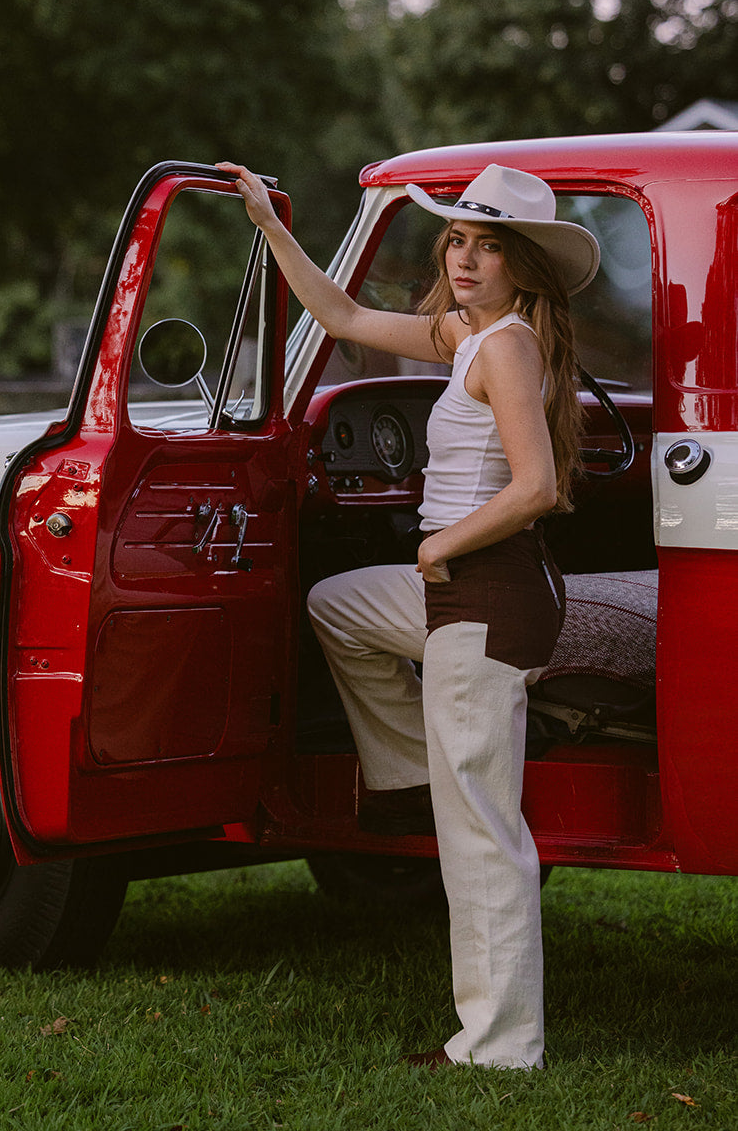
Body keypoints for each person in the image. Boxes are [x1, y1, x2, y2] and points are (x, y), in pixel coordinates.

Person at [217, 160, 600, 1073]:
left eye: (489, 246)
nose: (466, 259)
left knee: (483, 841)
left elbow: (538, 486)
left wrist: (438, 547)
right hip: (461, 594)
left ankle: (498, 1045)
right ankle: (408, 777)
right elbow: (344, 318)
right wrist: (272, 228)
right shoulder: (467, 334)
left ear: (522, 266)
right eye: (458, 239)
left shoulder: (504, 346)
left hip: (483, 595)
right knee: (336, 605)